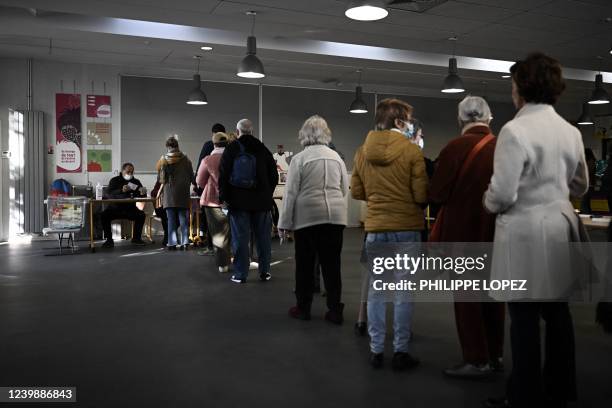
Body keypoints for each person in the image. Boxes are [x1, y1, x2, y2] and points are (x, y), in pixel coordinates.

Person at [483, 53, 588, 408]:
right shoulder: (570, 131)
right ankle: (561, 391)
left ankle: (524, 395)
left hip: (525, 233)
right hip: (559, 229)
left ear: (521, 88)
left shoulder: (514, 130)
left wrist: (488, 201)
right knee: (559, 317)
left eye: (513, 84)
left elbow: (502, 194)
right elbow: (581, 186)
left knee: (524, 319)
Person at [428, 96, 505, 379]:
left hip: (462, 234)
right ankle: (496, 354)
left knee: (467, 298)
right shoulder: (502, 146)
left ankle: (476, 358)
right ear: (489, 118)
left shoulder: (454, 147)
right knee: (495, 298)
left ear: (460, 120)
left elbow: (437, 193)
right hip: (497, 232)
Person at [351, 98, 428, 370]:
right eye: (407, 119)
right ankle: (400, 351)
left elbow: (357, 192)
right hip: (406, 229)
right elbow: (421, 195)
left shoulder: (361, 152)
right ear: (398, 122)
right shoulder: (412, 152)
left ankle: (375, 350)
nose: (409, 124)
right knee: (404, 291)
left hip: (376, 229)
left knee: (376, 291)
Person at [278, 115, 349, 324]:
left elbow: (290, 194)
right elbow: (344, 189)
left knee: (305, 265)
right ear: (326, 133)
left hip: (307, 218)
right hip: (335, 217)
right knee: (332, 265)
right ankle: (335, 310)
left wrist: (284, 224)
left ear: (304, 134)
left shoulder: (300, 159)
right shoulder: (337, 158)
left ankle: (303, 308)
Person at [219, 119, 278, 283]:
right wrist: (267, 193)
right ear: (252, 131)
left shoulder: (232, 149)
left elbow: (223, 175)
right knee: (263, 239)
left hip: (239, 203)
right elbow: (274, 175)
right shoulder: (262, 148)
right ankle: (265, 272)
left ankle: (240, 275)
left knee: (240, 239)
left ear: (237, 131)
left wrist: (223, 198)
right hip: (262, 202)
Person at [196, 132, 231, 273]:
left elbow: (200, 181)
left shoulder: (207, 160)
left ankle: (223, 265)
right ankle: (242, 259)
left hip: (212, 201)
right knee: (235, 232)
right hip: (232, 200)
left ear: (214, 144)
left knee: (218, 235)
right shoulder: (233, 158)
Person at [156, 136, 194, 251]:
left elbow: (160, 179)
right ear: (178, 146)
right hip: (183, 192)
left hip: (169, 192)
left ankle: (172, 244)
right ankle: (185, 243)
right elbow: (192, 176)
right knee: (183, 219)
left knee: (171, 219)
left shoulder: (163, 160)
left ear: (167, 147)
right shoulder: (186, 159)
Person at [195, 123, 226, 255]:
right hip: (229, 194)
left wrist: (198, 187)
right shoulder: (232, 149)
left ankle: (210, 247)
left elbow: (200, 173)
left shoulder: (208, 147)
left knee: (210, 222)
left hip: (211, 192)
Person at [101, 162, 147, 248]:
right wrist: (121, 190)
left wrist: (143, 192)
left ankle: (136, 238)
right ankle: (109, 240)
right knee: (104, 216)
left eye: (132, 172)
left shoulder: (135, 181)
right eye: (128, 172)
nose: (130, 174)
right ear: (122, 171)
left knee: (141, 215)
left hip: (130, 209)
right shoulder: (114, 180)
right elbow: (108, 194)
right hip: (115, 208)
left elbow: (141, 196)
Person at [151, 179, 168, 246]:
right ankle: (168, 235)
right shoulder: (161, 180)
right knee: (165, 214)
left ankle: (169, 235)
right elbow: (153, 192)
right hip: (163, 207)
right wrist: (160, 191)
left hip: (174, 205)